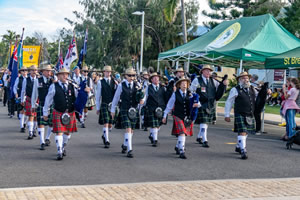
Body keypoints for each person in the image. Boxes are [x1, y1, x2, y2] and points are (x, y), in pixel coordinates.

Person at [43, 67, 79, 160]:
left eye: (66, 74)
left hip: (70, 112)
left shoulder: (72, 86)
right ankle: (59, 150)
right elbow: (48, 100)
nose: (64, 76)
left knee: (67, 133)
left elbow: (78, 97)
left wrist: (85, 91)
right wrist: (45, 112)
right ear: (58, 76)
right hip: (58, 111)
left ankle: (62, 146)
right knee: (59, 132)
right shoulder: (53, 86)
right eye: (62, 74)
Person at [190, 65, 228, 148]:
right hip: (201, 104)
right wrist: (196, 101)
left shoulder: (213, 81)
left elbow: (220, 90)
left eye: (209, 71)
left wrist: (224, 84)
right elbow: (191, 91)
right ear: (202, 71)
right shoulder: (197, 80)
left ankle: (199, 137)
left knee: (205, 123)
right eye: (206, 70)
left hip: (210, 104)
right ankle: (205, 140)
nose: (208, 72)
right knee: (204, 122)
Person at [110, 68, 144, 158]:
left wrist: (142, 100)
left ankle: (125, 145)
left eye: (133, 75)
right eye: (129, 75)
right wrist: (112, 110)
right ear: (125, 76)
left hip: (134, 109)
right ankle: (130, 150)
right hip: (124, 109)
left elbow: (143, 96)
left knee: (131, 129)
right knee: (128, 128)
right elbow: (116, 98)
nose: (131, 77)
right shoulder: (121, 85)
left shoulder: (138, 85)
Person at [162, 77, 199, 159]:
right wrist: (164, 115)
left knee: (183, 133)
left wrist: (197, 105)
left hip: (187, 117)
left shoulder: (191, 94)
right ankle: (182, 150)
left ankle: (177, 146)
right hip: (178, 115)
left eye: (186, 84)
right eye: (182, 84)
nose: (184, 85)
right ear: (179, 85)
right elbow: (169, 105)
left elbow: (197, 103)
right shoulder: (175, 94)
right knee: (182, 132)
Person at [225, 72, 257, 160]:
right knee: (243, 131)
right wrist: (227, 115)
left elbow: (260, 98)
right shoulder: (235, 89)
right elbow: (229, 102)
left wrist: (267, 93)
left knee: (245, 132)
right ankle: (243, 150)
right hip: (240, 113)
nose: (245, 80)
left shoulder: (253, 88)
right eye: (243, 78)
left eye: (247, 78)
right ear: (239, 80)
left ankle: (239, 146)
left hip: (250, 114)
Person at [31, 65, 54, 150]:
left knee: (51, 123)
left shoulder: (53, 81)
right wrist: (33, 105)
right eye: (47, 71)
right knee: (41, 123)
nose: (49, 73)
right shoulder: (38, 80)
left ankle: (47, 138)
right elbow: (34, 93)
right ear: (43, 71)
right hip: (41, 103)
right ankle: (42, 142)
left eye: (50, 71)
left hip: (51, 104)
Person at [143, 72, 167, 147]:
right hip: (151, 108)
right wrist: (143, 104)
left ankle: (152, 134)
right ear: (151, 80)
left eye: (157, 77)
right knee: (154, 125)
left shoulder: (163, 88)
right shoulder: (148, 87)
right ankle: (155, 140)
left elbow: (166, 97)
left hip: (161, 108)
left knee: (159, 124)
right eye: (154, 78)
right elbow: (145, 97)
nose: (156, 79)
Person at [96, 65, 117, 148]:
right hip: (104, 104)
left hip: (112, 105)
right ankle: (107, 140)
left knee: (110, 125)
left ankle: (104, 135)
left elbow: (117, 94)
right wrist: (97, 108)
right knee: (106, 122)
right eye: (106, 71)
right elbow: (98, 96)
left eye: (109, 72)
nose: (108, 73)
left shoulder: (114, 82)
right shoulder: (100, 82)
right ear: (103, 72)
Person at [21, 65, 38, 140]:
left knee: (36, 117)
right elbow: (23, 90)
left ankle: (34, 130)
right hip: (29, 99)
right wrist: (22, 100)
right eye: (32, 70)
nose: (34, 71)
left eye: (35, 70)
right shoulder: (26, 80)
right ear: (30, 71)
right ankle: (30, 132)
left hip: (37, 99)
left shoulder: (39, 79)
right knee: (31, 116)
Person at [282, 78, 300, 149]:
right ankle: (292, 136)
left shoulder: (292, 89)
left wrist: (284, 90)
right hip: (293, 104)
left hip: (289, 104)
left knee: (289, 121)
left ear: (292, 82)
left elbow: (286, 97)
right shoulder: (297, 89)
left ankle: (291, 136)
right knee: (292, 121)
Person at [13, 66, 28, 132]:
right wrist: (15, 93)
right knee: (22, 111)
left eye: (25, 70)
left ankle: (24, 123)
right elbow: (15, 87)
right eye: (23, 71)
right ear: (20, 72)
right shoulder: (18, 79)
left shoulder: (29, 79)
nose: (24, 72)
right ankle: (22, 126)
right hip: (20, 96)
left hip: (28, 97)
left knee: (27, 112)